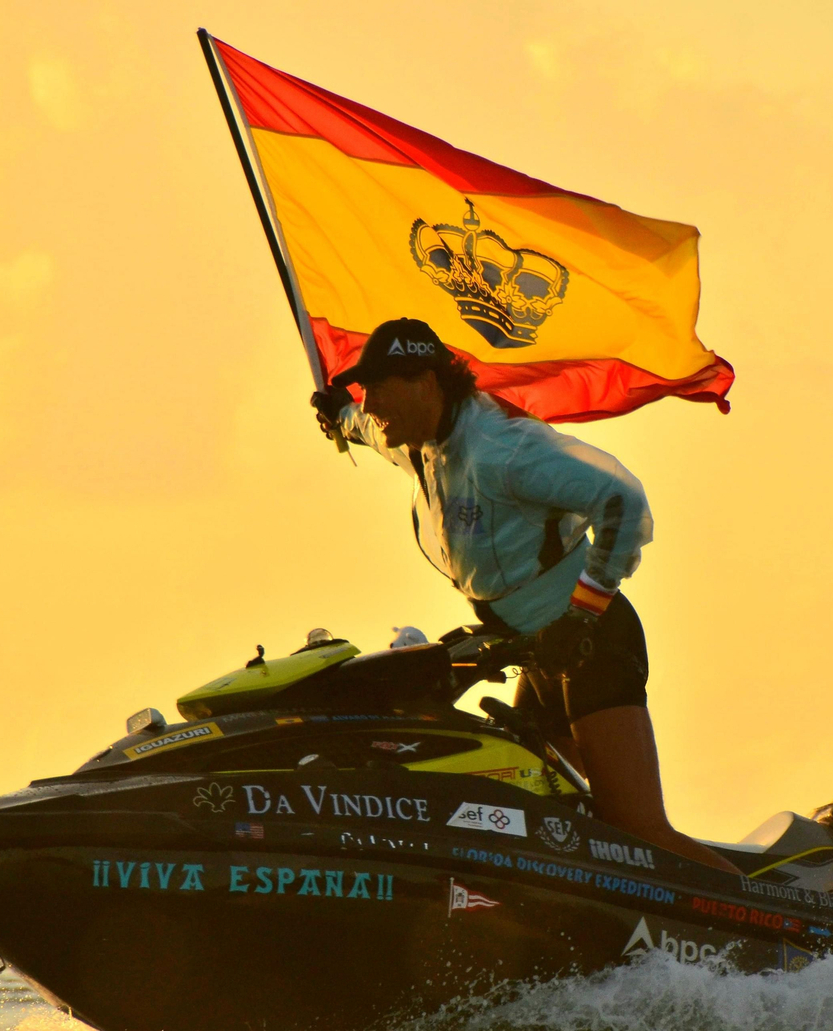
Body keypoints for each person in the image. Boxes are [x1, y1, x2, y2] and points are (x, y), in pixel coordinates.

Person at [310, 317, 739, 874]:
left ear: (425, 384)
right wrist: (339, 419)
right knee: (555, 811)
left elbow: (622, 499)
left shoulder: (500, 448)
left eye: (378, 390)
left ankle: (786, 939)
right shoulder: (416, 440)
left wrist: (584, 613)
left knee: (636, 829)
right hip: (536, 653)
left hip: (591, 643)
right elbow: (370, 430)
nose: (369, 404)